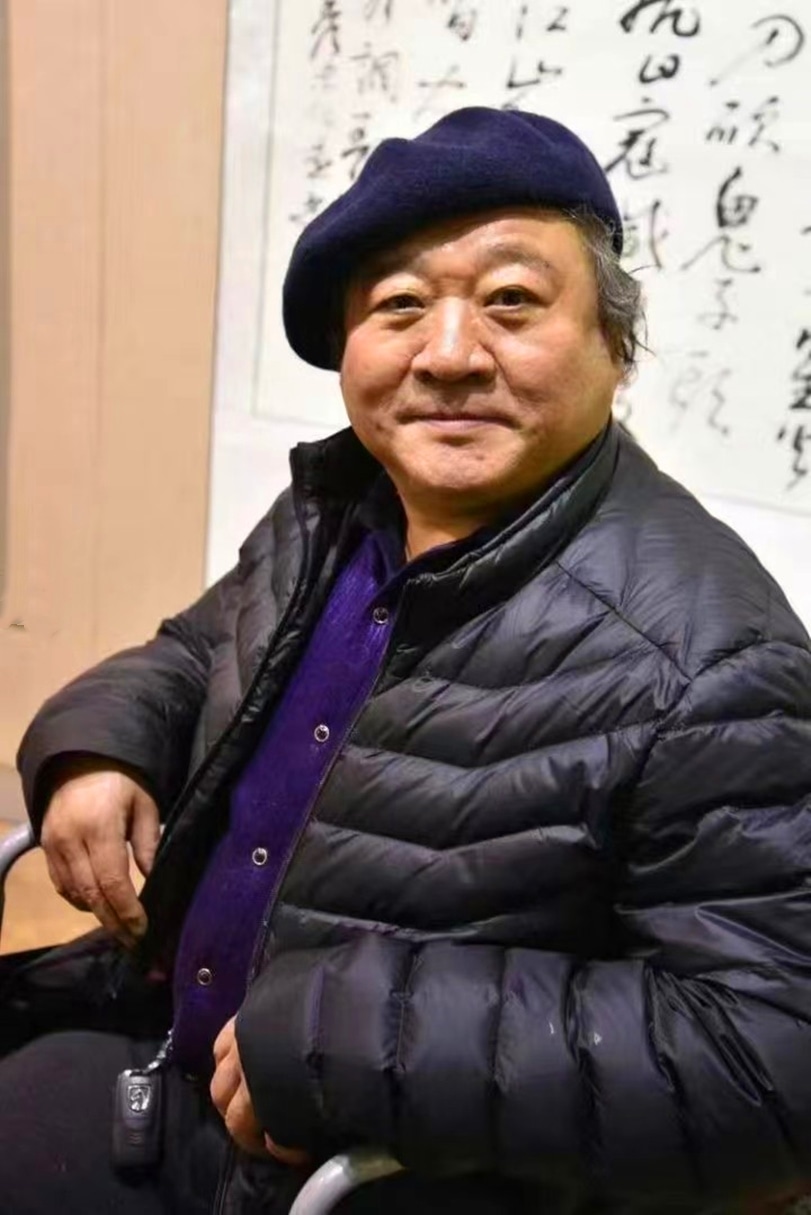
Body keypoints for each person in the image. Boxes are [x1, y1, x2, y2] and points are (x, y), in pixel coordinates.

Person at [2, 105, 811, 1215]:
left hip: (359, 1171)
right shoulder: (340, 506)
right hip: (161, 1045)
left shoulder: (708, 655)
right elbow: (198, 649)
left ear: (614, 345)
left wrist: (364, 1033)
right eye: (398, 307)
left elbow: (768, 1070)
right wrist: (100, 746)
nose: (448, 353)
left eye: (512, 300)